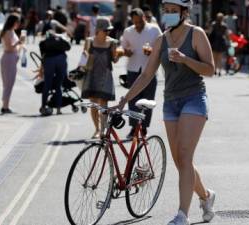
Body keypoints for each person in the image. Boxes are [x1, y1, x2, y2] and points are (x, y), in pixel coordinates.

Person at [113, 0, 216, 224]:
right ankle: (206, 197)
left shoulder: (196, 34)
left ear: (184, 12)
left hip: (194, 99)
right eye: (166, 11)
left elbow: (210, 69)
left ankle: (182, 215)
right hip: (171, 102)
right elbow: (146, 74)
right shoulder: (161, 40)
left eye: (173, 11)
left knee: (186, 155)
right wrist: (124, 99)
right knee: (181, 161)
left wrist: (186, 59)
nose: (168, 15)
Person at [120, 8, 162, 139]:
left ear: (144, 17)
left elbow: (162, 46)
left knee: (148, 100)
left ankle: (144, 128)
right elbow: (122, 47)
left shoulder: (154, 29)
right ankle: (134, 128)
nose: (138, 24)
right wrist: (126, 52)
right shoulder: (128, 31)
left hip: (150, 69)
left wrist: (153, 51)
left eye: (140, 21)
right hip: (133, 68)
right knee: (132, 100)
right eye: (135, 22)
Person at [82, 17, 119, 139]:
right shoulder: (89, 41)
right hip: (92, 75)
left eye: (109, 30)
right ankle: (97, 129)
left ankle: (103, 129)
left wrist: (118, 53)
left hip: (106, 76)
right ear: (98, 30)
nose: (108, 32)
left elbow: (115, 60)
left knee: (103, 104)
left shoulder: (112, 42)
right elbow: (84, 59)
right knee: (93, 105)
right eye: (105, 30)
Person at [0, 14, 25, 114]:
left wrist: (20, 46)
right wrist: (19, 42)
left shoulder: (11, 31)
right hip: (8, 58)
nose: (18, 24)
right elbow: (9, 47)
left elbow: (14, 47)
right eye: (17, 22)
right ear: (13, 22)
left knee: (8, 83)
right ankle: (5, 106)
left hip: (11, 58)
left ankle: (5, 105)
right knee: (8, 84)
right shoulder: (8, 32)